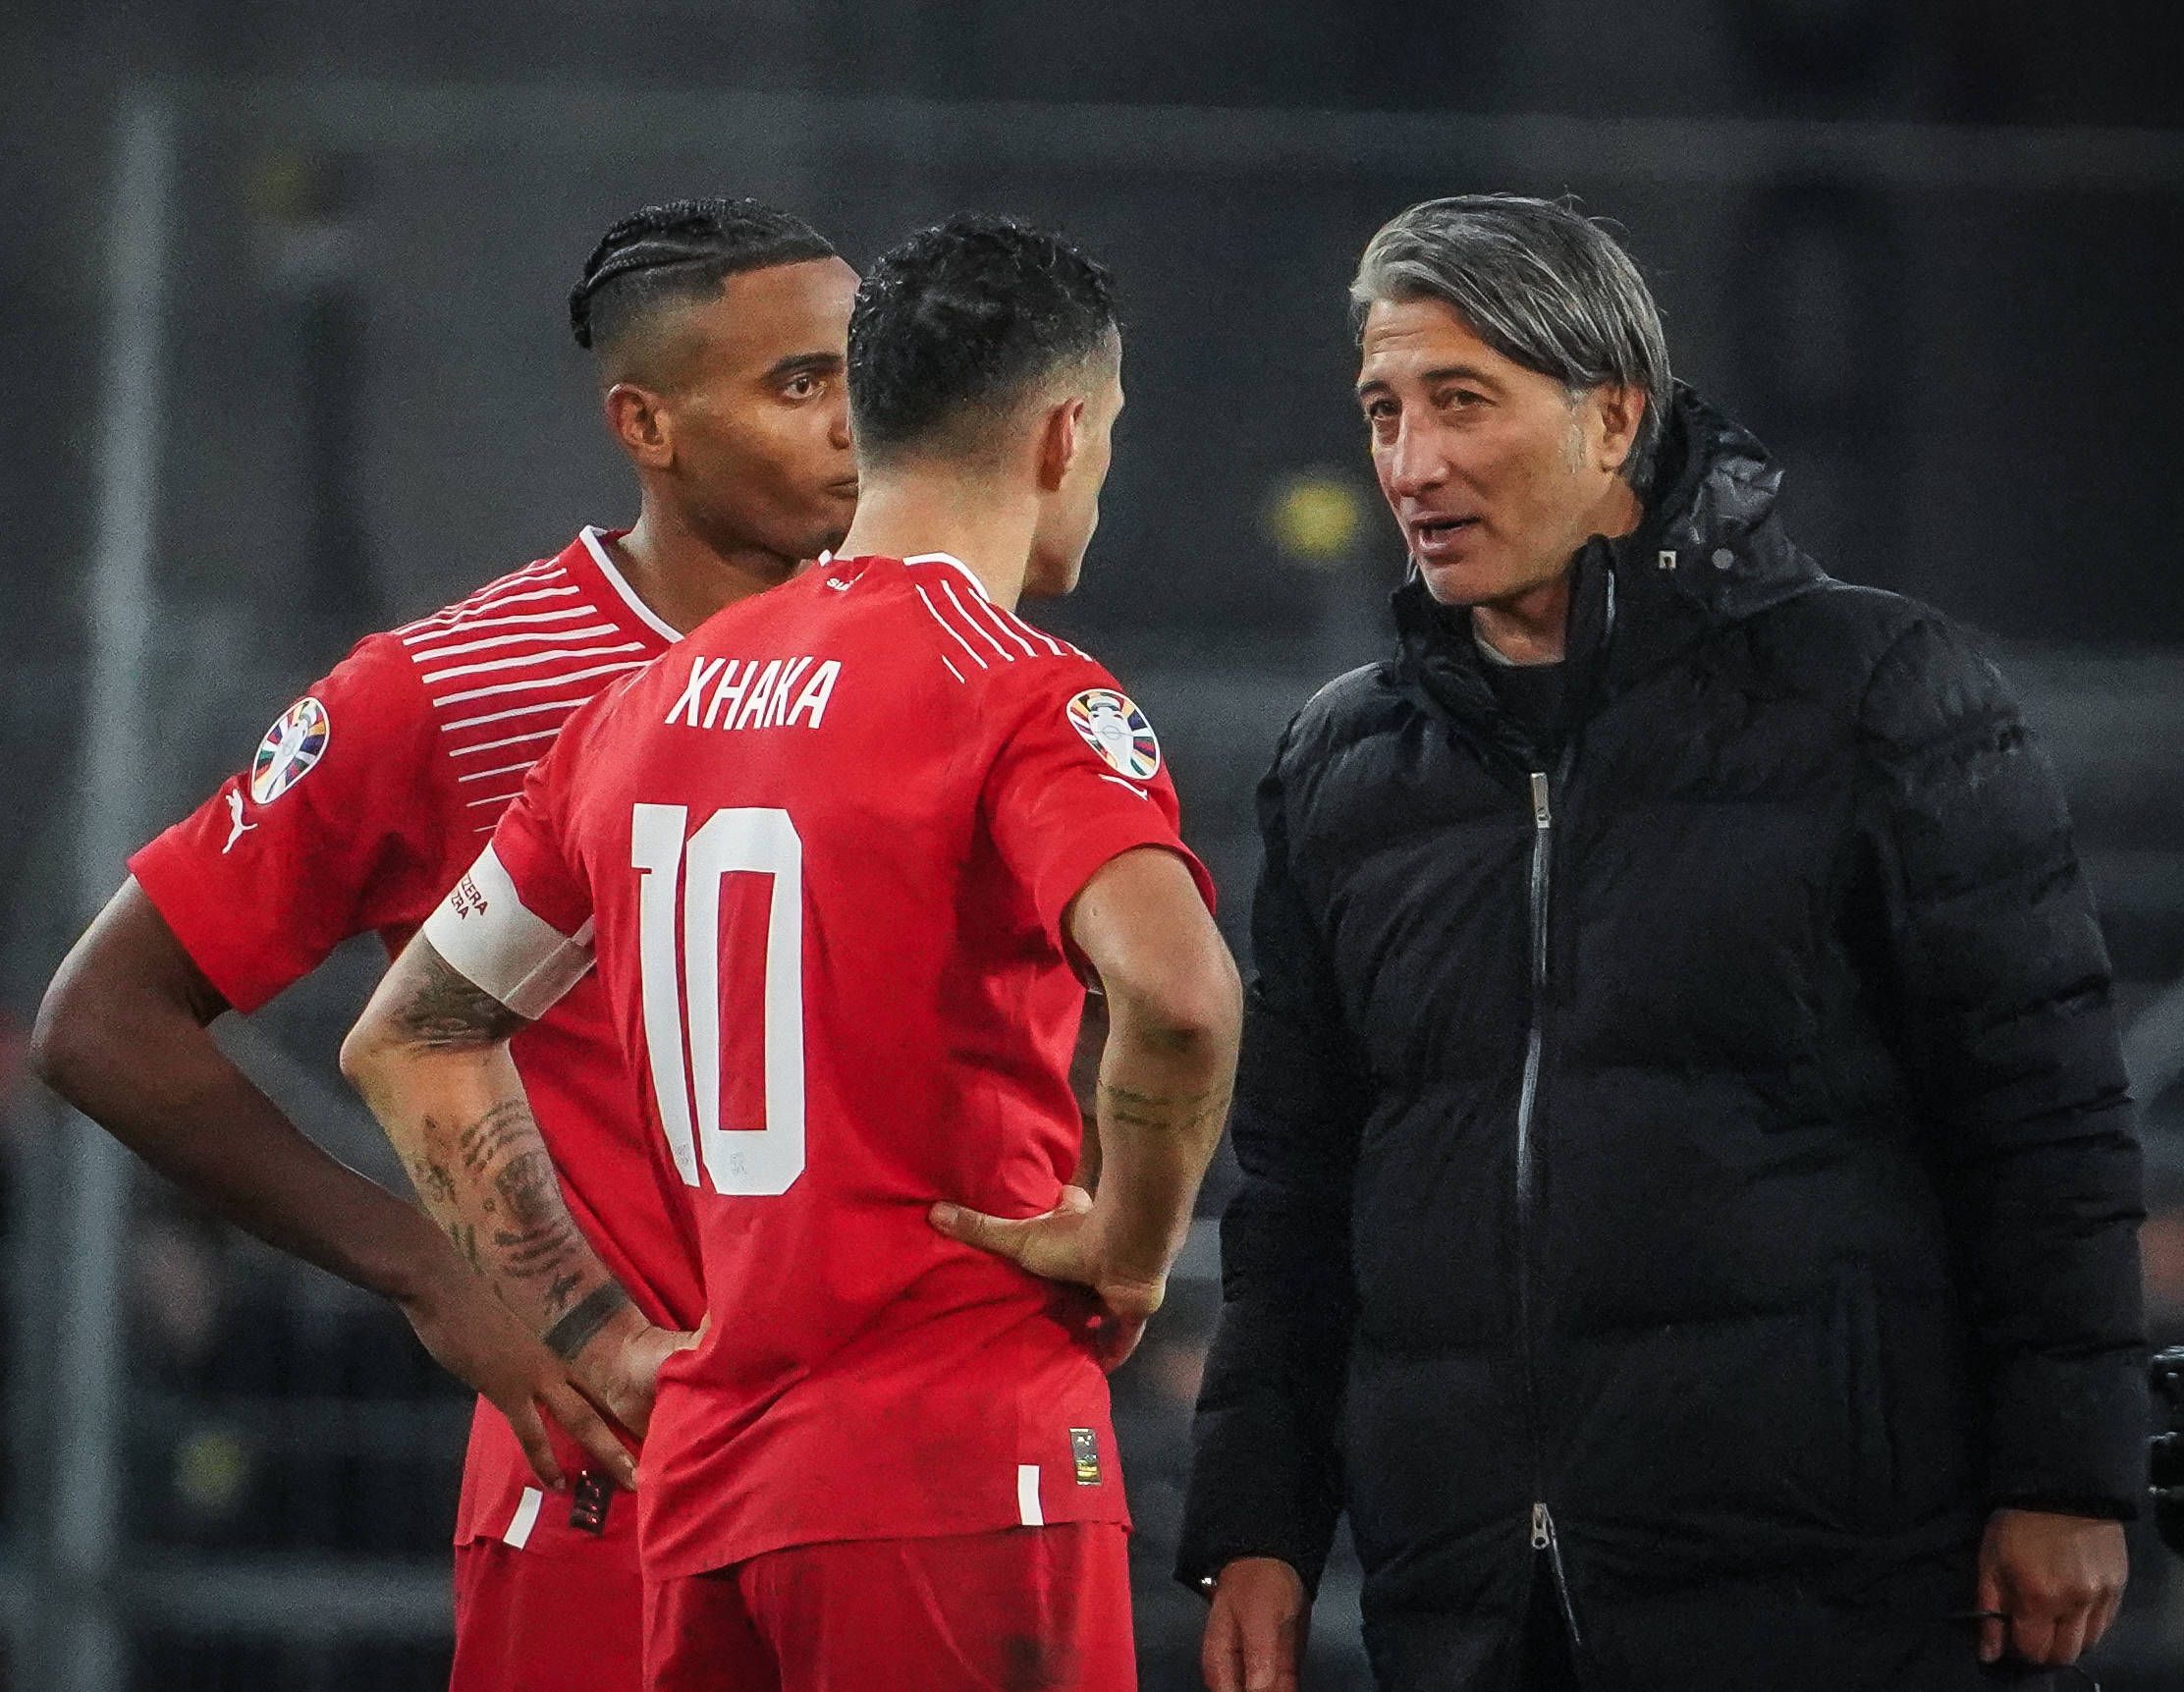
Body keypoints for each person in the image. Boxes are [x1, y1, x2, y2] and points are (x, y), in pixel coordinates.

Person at [1178, 194, 2146, 1692]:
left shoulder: (1878, 692)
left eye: (1461, 402)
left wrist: (2069, 1475)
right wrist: (1254, 1524)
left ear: (1612, 416)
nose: (1411, 463)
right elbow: (1297, 1192)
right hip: (1470, 1594)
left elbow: (2047, 1119)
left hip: (1831, 1583)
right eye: (1383, 411)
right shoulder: (1340, 767)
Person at [339, 213, 1241, 1692]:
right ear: (1067, 432)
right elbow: (1185, 997)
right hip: (950, 1463)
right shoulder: (1015, 692)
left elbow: (408, 1036)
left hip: (711, 1479)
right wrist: (1128, 1245)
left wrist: (586, 1324)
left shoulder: (646, 707)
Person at [31, 196, 860, 1692]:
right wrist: (426, 1269)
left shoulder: (945, 663)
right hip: (624, 1480)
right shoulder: (453, 689)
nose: (860, 421)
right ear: (647, 425)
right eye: (801, 382)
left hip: (903, 1484)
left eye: (872, 370)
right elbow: (104, 1020)